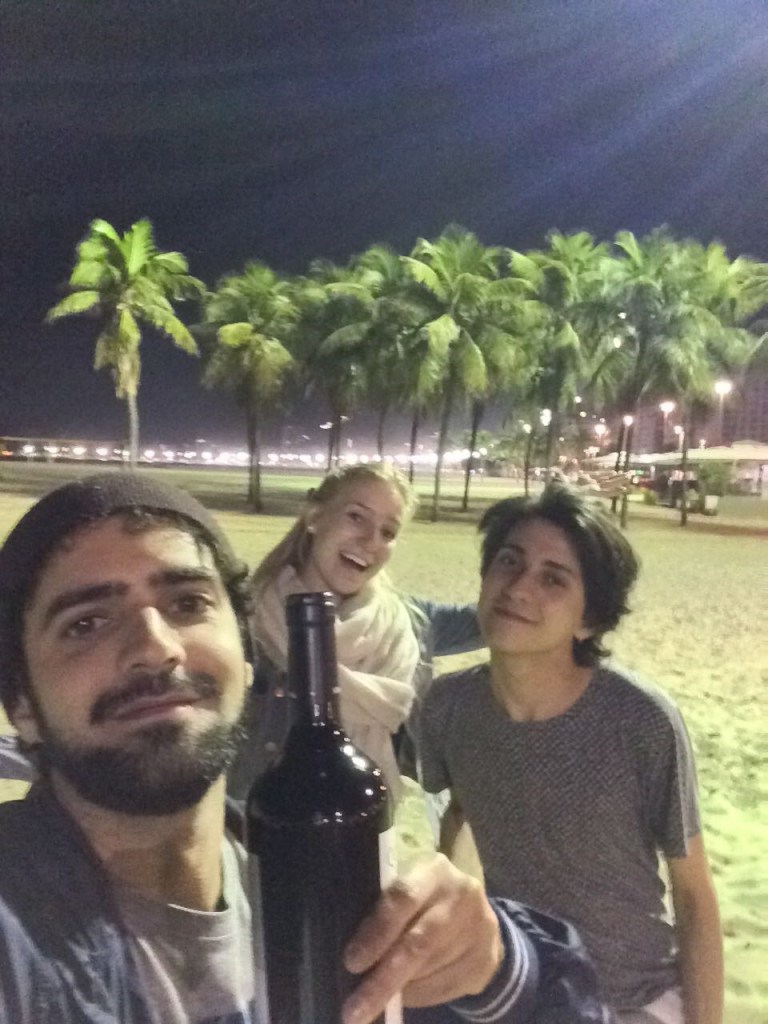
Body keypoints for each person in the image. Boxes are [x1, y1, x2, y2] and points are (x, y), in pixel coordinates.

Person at [0, 471, 612, 1024]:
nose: (156, 646)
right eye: (86, 623)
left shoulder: (339, 892)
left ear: (245, 657)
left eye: (187, 603)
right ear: (21, 703)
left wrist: (499, 967)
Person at [413, 486, 723, 1024]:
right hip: (523, 981)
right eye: (509, 562)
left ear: (589, 620)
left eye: (553, 578)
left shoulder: (640, 719)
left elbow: (693, 894)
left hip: (632, 997)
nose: (518, 588)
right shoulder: (448, 707)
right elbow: (459, 817)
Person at [228, 463, 481, 802]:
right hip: (260, 825)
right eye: (356, 517)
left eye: (388, 532)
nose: (371, 541)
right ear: (314, 517)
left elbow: (493, 622)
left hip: (369, 821)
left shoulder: (406, 625)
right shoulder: (244, 619)